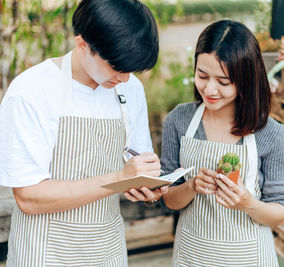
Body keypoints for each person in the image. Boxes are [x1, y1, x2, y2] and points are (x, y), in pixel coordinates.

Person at [0, 0, 167, 266]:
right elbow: (29, 197)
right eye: (117, 68)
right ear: (82, 45)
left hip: (107, 251)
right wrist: (119, 177)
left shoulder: (130, 89)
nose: (124, 79)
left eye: (130, 70)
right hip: (46, 253)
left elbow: (137, 167)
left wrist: (148, 188)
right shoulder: (31, 91)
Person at [160, 20, 284, 266]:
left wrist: (247, 203)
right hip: (193, 254)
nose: (209, 89)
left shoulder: (270, 134)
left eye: (223, 82)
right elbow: (168, 200)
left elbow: (280, 213)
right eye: (202, 75)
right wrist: (191, 186)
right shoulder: (179, 120)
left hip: (248, 257)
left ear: (246, 80)